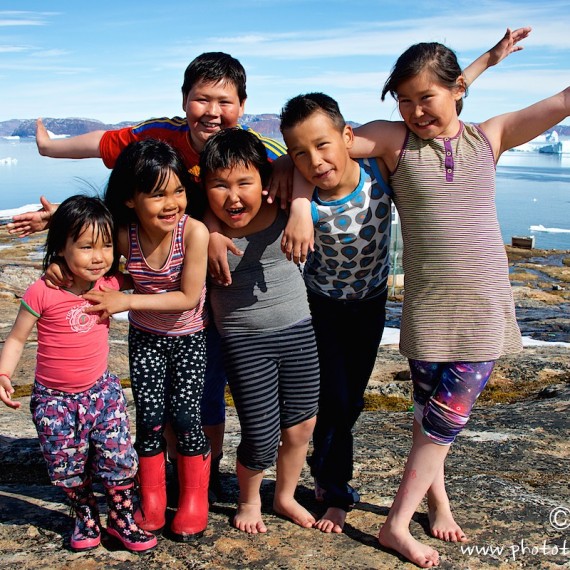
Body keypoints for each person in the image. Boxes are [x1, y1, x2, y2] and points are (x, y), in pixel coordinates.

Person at [9, 51, 288, 504]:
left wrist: (222, 228)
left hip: (213, 285)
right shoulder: (161, 136)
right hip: (163, 281)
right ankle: (177, 478)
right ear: (184, 100)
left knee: (203, 392)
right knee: (167, 404)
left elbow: (293, 163)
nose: (213, 112)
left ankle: (201, 477)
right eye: (202, 99)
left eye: (225, 101)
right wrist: (51, 157)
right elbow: (108, 146)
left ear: (242, 105)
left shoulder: (250, 147)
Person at [346, 41, 569, 568]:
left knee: (444, 422)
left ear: (457, 91)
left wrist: (484, 65)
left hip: (483, 309)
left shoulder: (489, 138)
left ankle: (395, 524)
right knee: (427, 415)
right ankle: (437, 501)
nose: (414, 110)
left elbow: (561, 101)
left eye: (424, 98)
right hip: (427, 310)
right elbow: (329, 146)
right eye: (403, 99)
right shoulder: (396, 142)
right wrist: (297, 189)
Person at [65, 139, 211, 542]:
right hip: (146, 338)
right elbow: (95, 252)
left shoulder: (194, 233)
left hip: (188, 340)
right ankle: (152, 498)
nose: (171, 203)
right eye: (157, 194)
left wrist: (125, 299)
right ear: (130, 199)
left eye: (178, 190)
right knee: (148, 420)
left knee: (184, 418)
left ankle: (194, 502)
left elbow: (186, 296)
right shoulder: (124, 235)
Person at [0, 195, 157, 553]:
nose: (98, 256)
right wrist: (4, 373)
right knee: (65, 462)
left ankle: (121, 517)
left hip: (101, 394)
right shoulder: (42, 291)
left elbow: (146, 272)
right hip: (54, 401)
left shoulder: (110, 284)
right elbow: (16, 337)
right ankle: (84, 511)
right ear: (61, 248)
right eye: (86, 247)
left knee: (118, 457)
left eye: (105, 246)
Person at [279, 92, 392, 535]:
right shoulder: (298, 192)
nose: (315, 161)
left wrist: (485, 64)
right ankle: (334, 487)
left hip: (371, 303)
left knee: (352, 400)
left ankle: (325, 461)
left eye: (323, 145)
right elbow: (237, 184)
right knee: (335, 398)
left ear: (348, 136)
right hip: (321, 306)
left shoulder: (379, 170)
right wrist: (298, 204)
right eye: (300, 154)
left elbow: (433, 120)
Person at [199, 127, 320, 534]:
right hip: (244, 341)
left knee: (302, 424)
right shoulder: (202, 228)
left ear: (264, 182)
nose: (233, 196)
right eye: (220, 185)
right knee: (262, 432)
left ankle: (284, 497)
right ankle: (249, 500)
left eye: (244, 183)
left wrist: (301, 208)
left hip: (299, 328)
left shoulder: (284, 202)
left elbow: (302, 167)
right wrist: (211, 234)